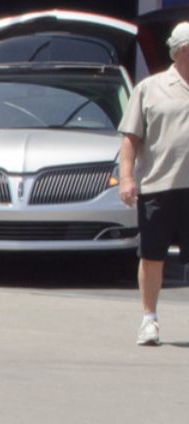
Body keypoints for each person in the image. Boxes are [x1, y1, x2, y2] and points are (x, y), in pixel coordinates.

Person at [119, 22, 189, 346]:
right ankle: (149, 320)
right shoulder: (150, 88)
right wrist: (127, 178)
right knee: (152, 255)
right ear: (183, 50)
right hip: (159, 186)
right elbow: (130, 139)